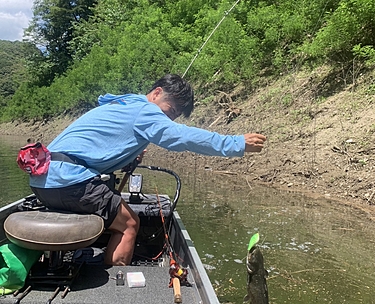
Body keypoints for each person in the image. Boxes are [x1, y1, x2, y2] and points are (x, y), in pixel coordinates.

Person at [30, 74, 266, 266]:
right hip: (68, 180)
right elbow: (182, 137)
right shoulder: (145, 110)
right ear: (156, 93)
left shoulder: (124, 104)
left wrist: (125, 159)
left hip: (43, 181)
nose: (168, 119)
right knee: (130, 224)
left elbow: (94, 149)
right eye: (170, 111)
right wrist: (236, 144)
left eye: (173, 116)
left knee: (112, 211)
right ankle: (116, 287)